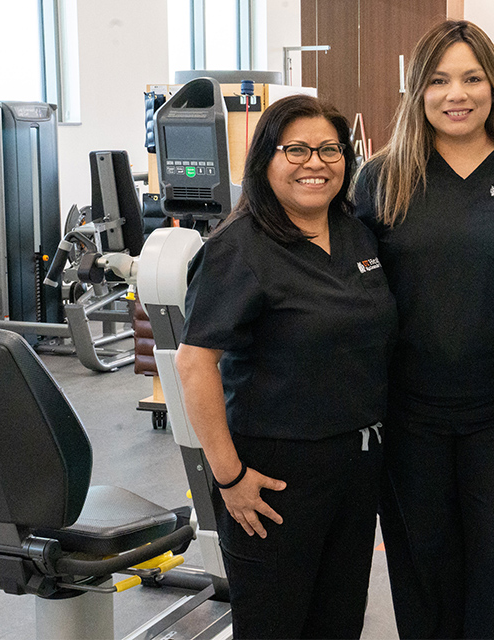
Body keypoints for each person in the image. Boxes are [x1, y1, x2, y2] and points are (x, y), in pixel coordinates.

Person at [353, 19, 494, 640]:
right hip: (410, 415)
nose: (455, 94)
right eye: (438, 80)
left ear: (493, 86)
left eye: (471, 78)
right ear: (418, 91)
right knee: (423, 567)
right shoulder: (383, 177)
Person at [175, 94, 397, 639]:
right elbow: (194, 363)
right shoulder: (239, 247)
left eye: (329, 149)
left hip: (357, 464)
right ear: (265, 160)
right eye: (295, 149)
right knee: (276, 624)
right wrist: (229, 477)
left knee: (339, 619)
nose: (314, 163)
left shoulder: (355, 232)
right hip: (273, 475)